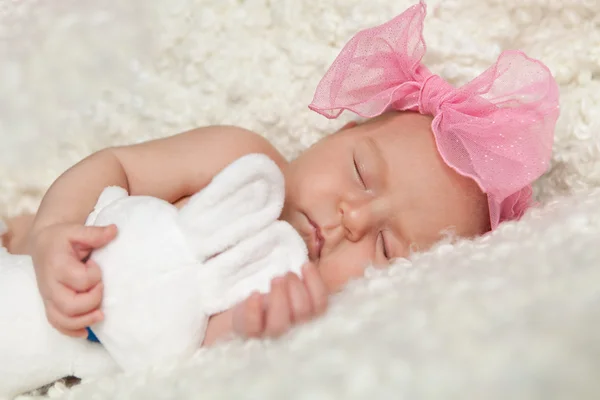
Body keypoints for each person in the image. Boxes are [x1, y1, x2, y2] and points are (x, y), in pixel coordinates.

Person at [1, 1, 559, 347]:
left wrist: (251, 329)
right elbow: (115, 166)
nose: (354, 218)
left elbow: (182, 349)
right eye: (361, 172)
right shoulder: (241, 159)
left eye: (387, 248)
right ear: (335, 135)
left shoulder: (302, 304)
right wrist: (55, 231)